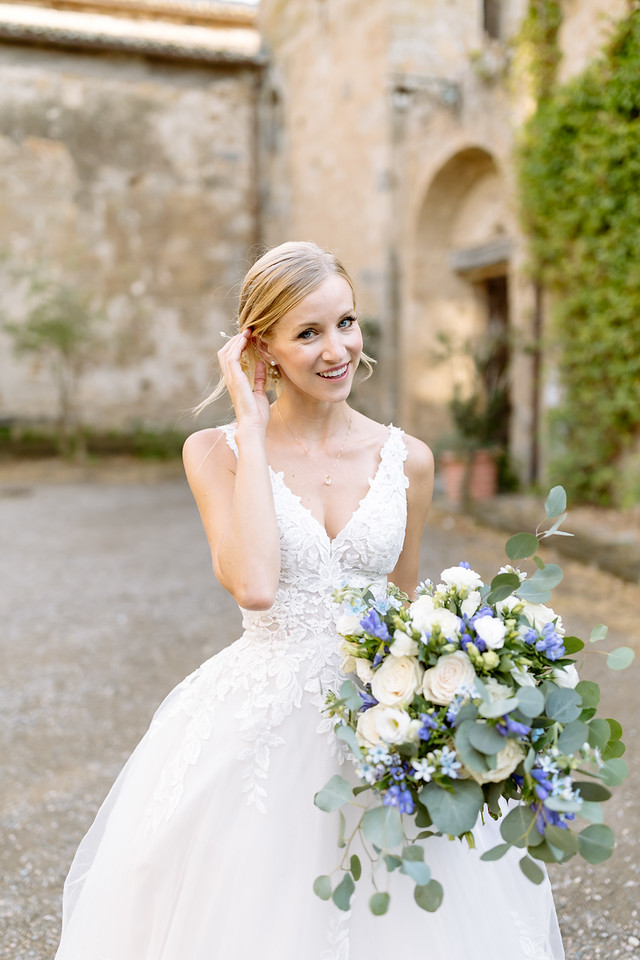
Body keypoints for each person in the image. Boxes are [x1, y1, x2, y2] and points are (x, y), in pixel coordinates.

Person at [54, 241, 564, 959]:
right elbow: (256, 586)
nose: (338, 350)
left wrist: (445, 701)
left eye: (346, 323)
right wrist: (252, 427)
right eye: (309, 333)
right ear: (260, 348)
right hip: (259, 724)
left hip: (380, 720)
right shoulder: (215, 453)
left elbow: (407, 604)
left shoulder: (408, 460)